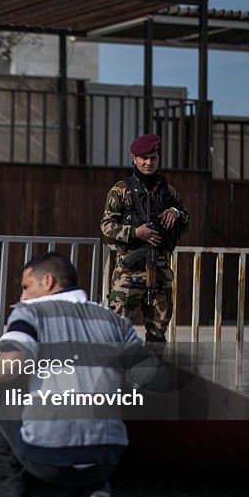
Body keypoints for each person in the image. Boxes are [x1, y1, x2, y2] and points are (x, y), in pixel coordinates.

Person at [0, 252, 146, 497]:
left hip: (48, 458)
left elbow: (11, 365)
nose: (23, 295)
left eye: (26, 286)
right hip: (109, 457)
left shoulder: (29, 313)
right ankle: (91, 489)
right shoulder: (114, 320)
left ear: (48, 281)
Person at [101, 133, 190, 342]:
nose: (149, 163)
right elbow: (106, 226)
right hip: (129, 273)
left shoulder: (168, 192)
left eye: (153, 158)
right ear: (135, 159)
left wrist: (176, 214)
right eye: (144, 158)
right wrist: (135, 232)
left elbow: (186, 224)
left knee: (158, 335)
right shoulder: (121, 190)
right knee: (118, 333)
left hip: (160, 272)